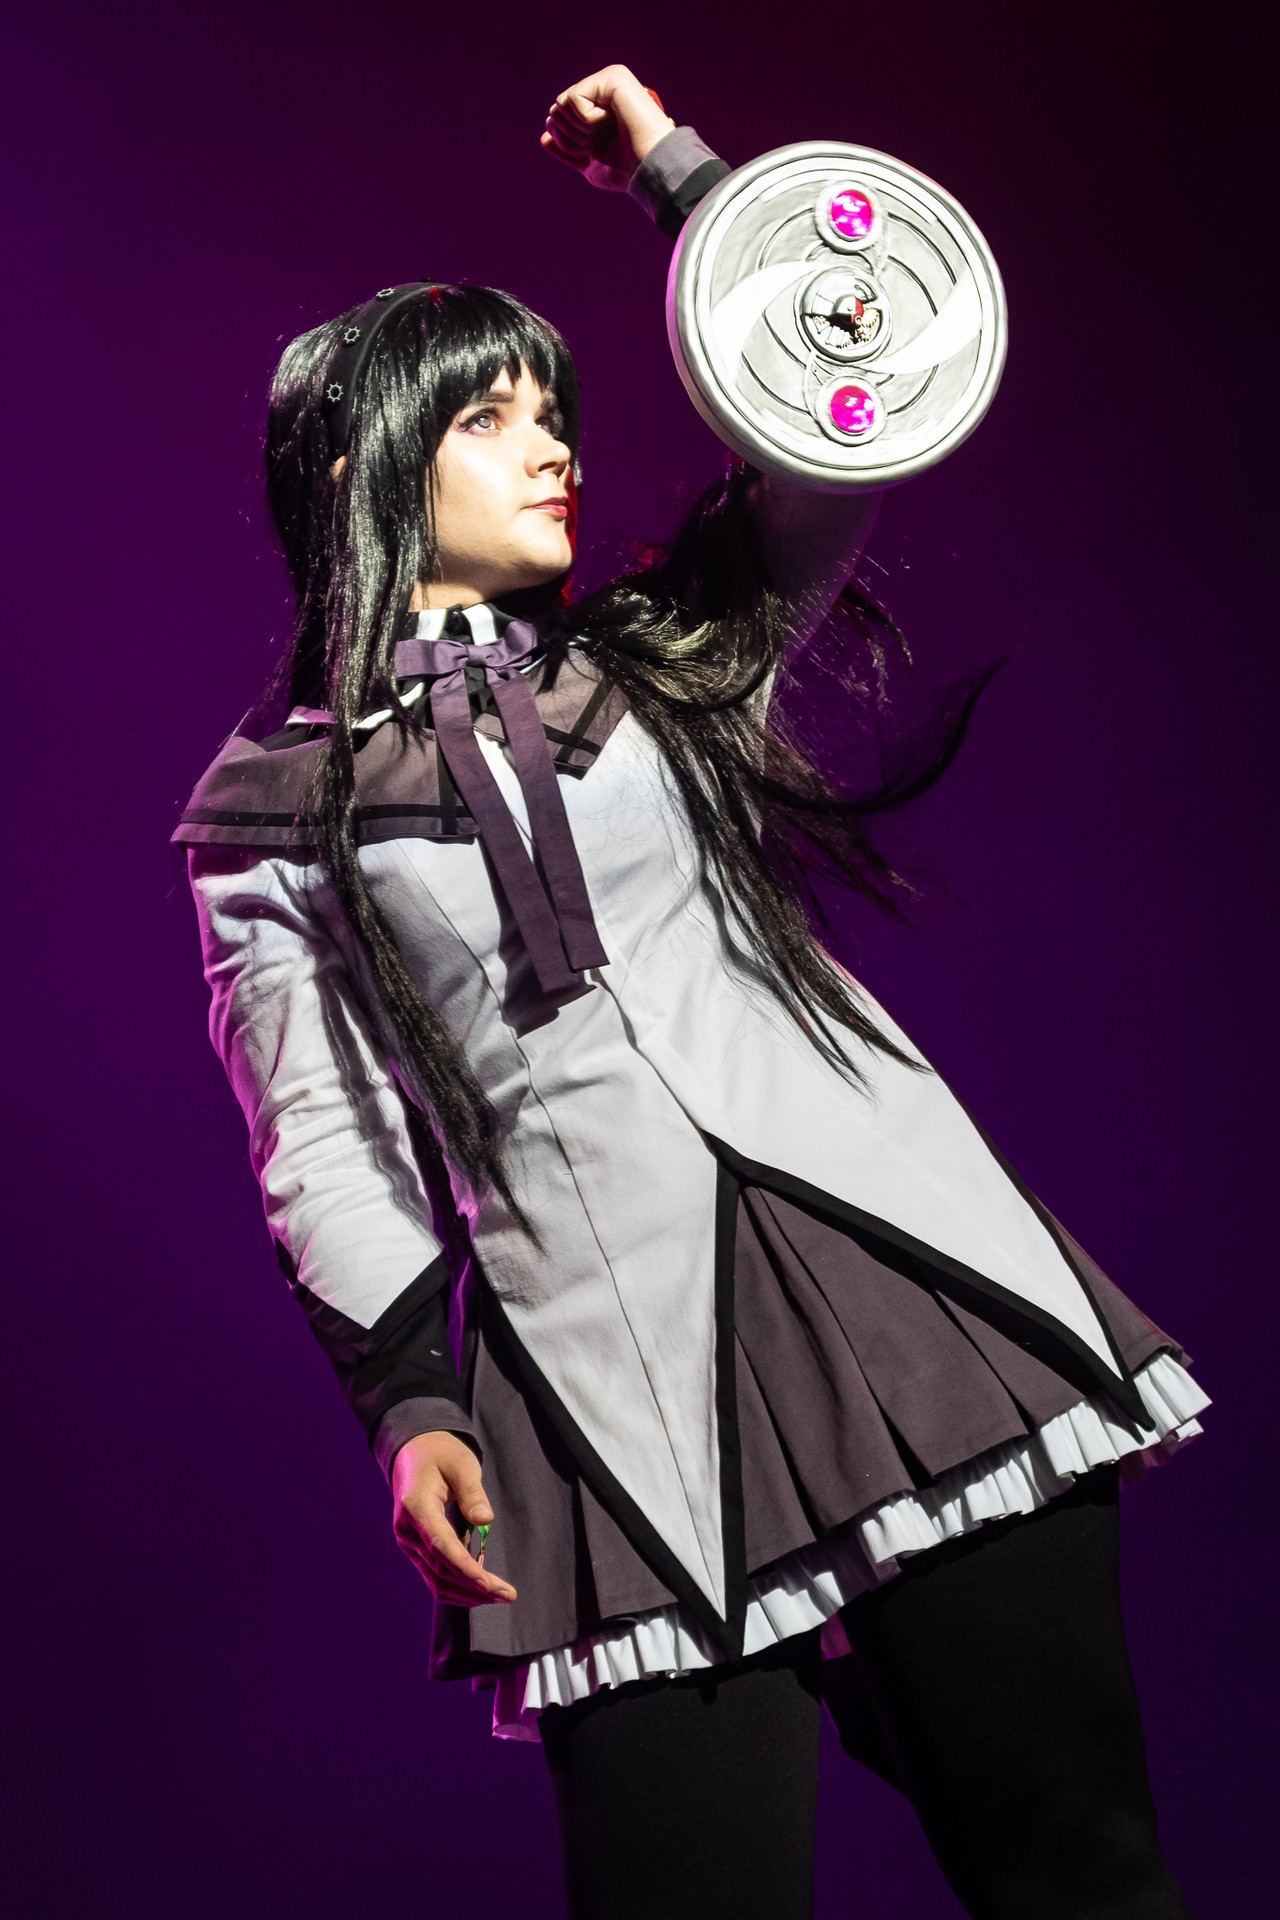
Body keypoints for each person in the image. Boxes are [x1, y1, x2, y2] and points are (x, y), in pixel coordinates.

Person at [175, 63, 1206, 1920]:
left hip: (906, 1289)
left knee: (1078, 1867)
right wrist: (410, 1404)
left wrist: (683, 179)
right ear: (359, 466)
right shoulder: (266, 814)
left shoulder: (663, 658)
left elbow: (845, 428)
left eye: (554, 410)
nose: (553, 445)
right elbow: (319, 1134)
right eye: (490, 416)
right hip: (601, 1385)